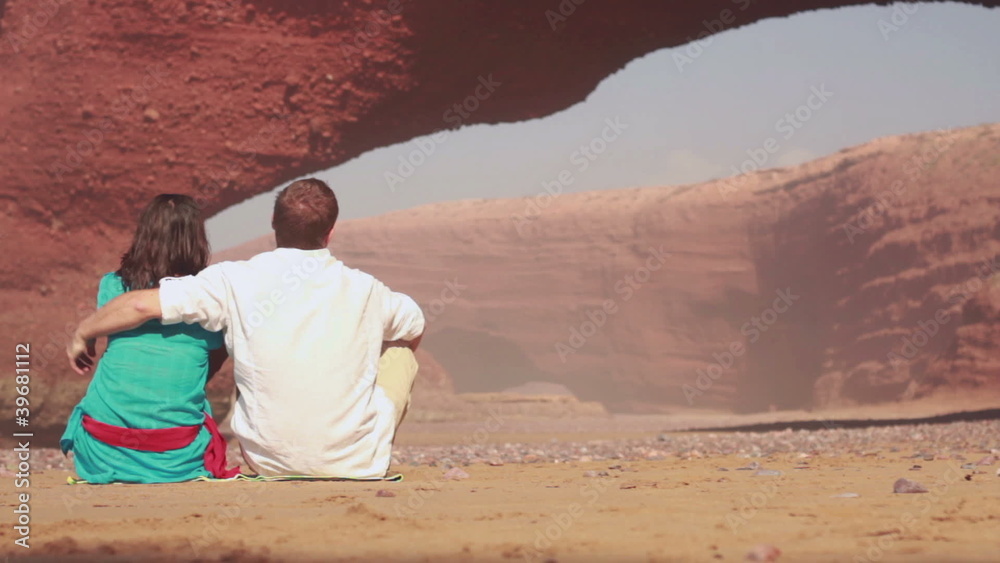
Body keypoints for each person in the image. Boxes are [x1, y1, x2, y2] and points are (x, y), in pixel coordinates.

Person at [67, 179, 425, 479]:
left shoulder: (232, 279)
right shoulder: (368, 289)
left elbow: (141, 305)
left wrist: (84, 332)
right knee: (400, 354)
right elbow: (415, 326)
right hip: (358, 464)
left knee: (247, 346)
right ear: (330, 233)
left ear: (273, 222)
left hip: (267, 462)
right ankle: (356, 437)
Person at [61, 194, 237, 483]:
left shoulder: (112, 286)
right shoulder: (208, 297)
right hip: (176, 458)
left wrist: (85, 334)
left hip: (102, 452)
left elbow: (132, 318)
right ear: (196, 239)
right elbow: (214, 357)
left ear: (144, 234)